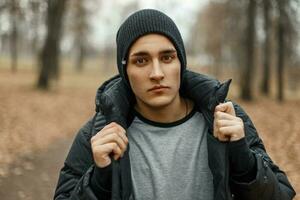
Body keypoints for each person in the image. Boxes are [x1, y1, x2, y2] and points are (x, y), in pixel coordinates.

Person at [54, 9, 295, 200]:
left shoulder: (224, 118)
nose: (157, 73)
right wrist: (100, 180)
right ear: (124, 70)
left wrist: (243, 160)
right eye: (141, 60)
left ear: (181, 62)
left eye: (167, 57)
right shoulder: (99, 132)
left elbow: (280, 194)